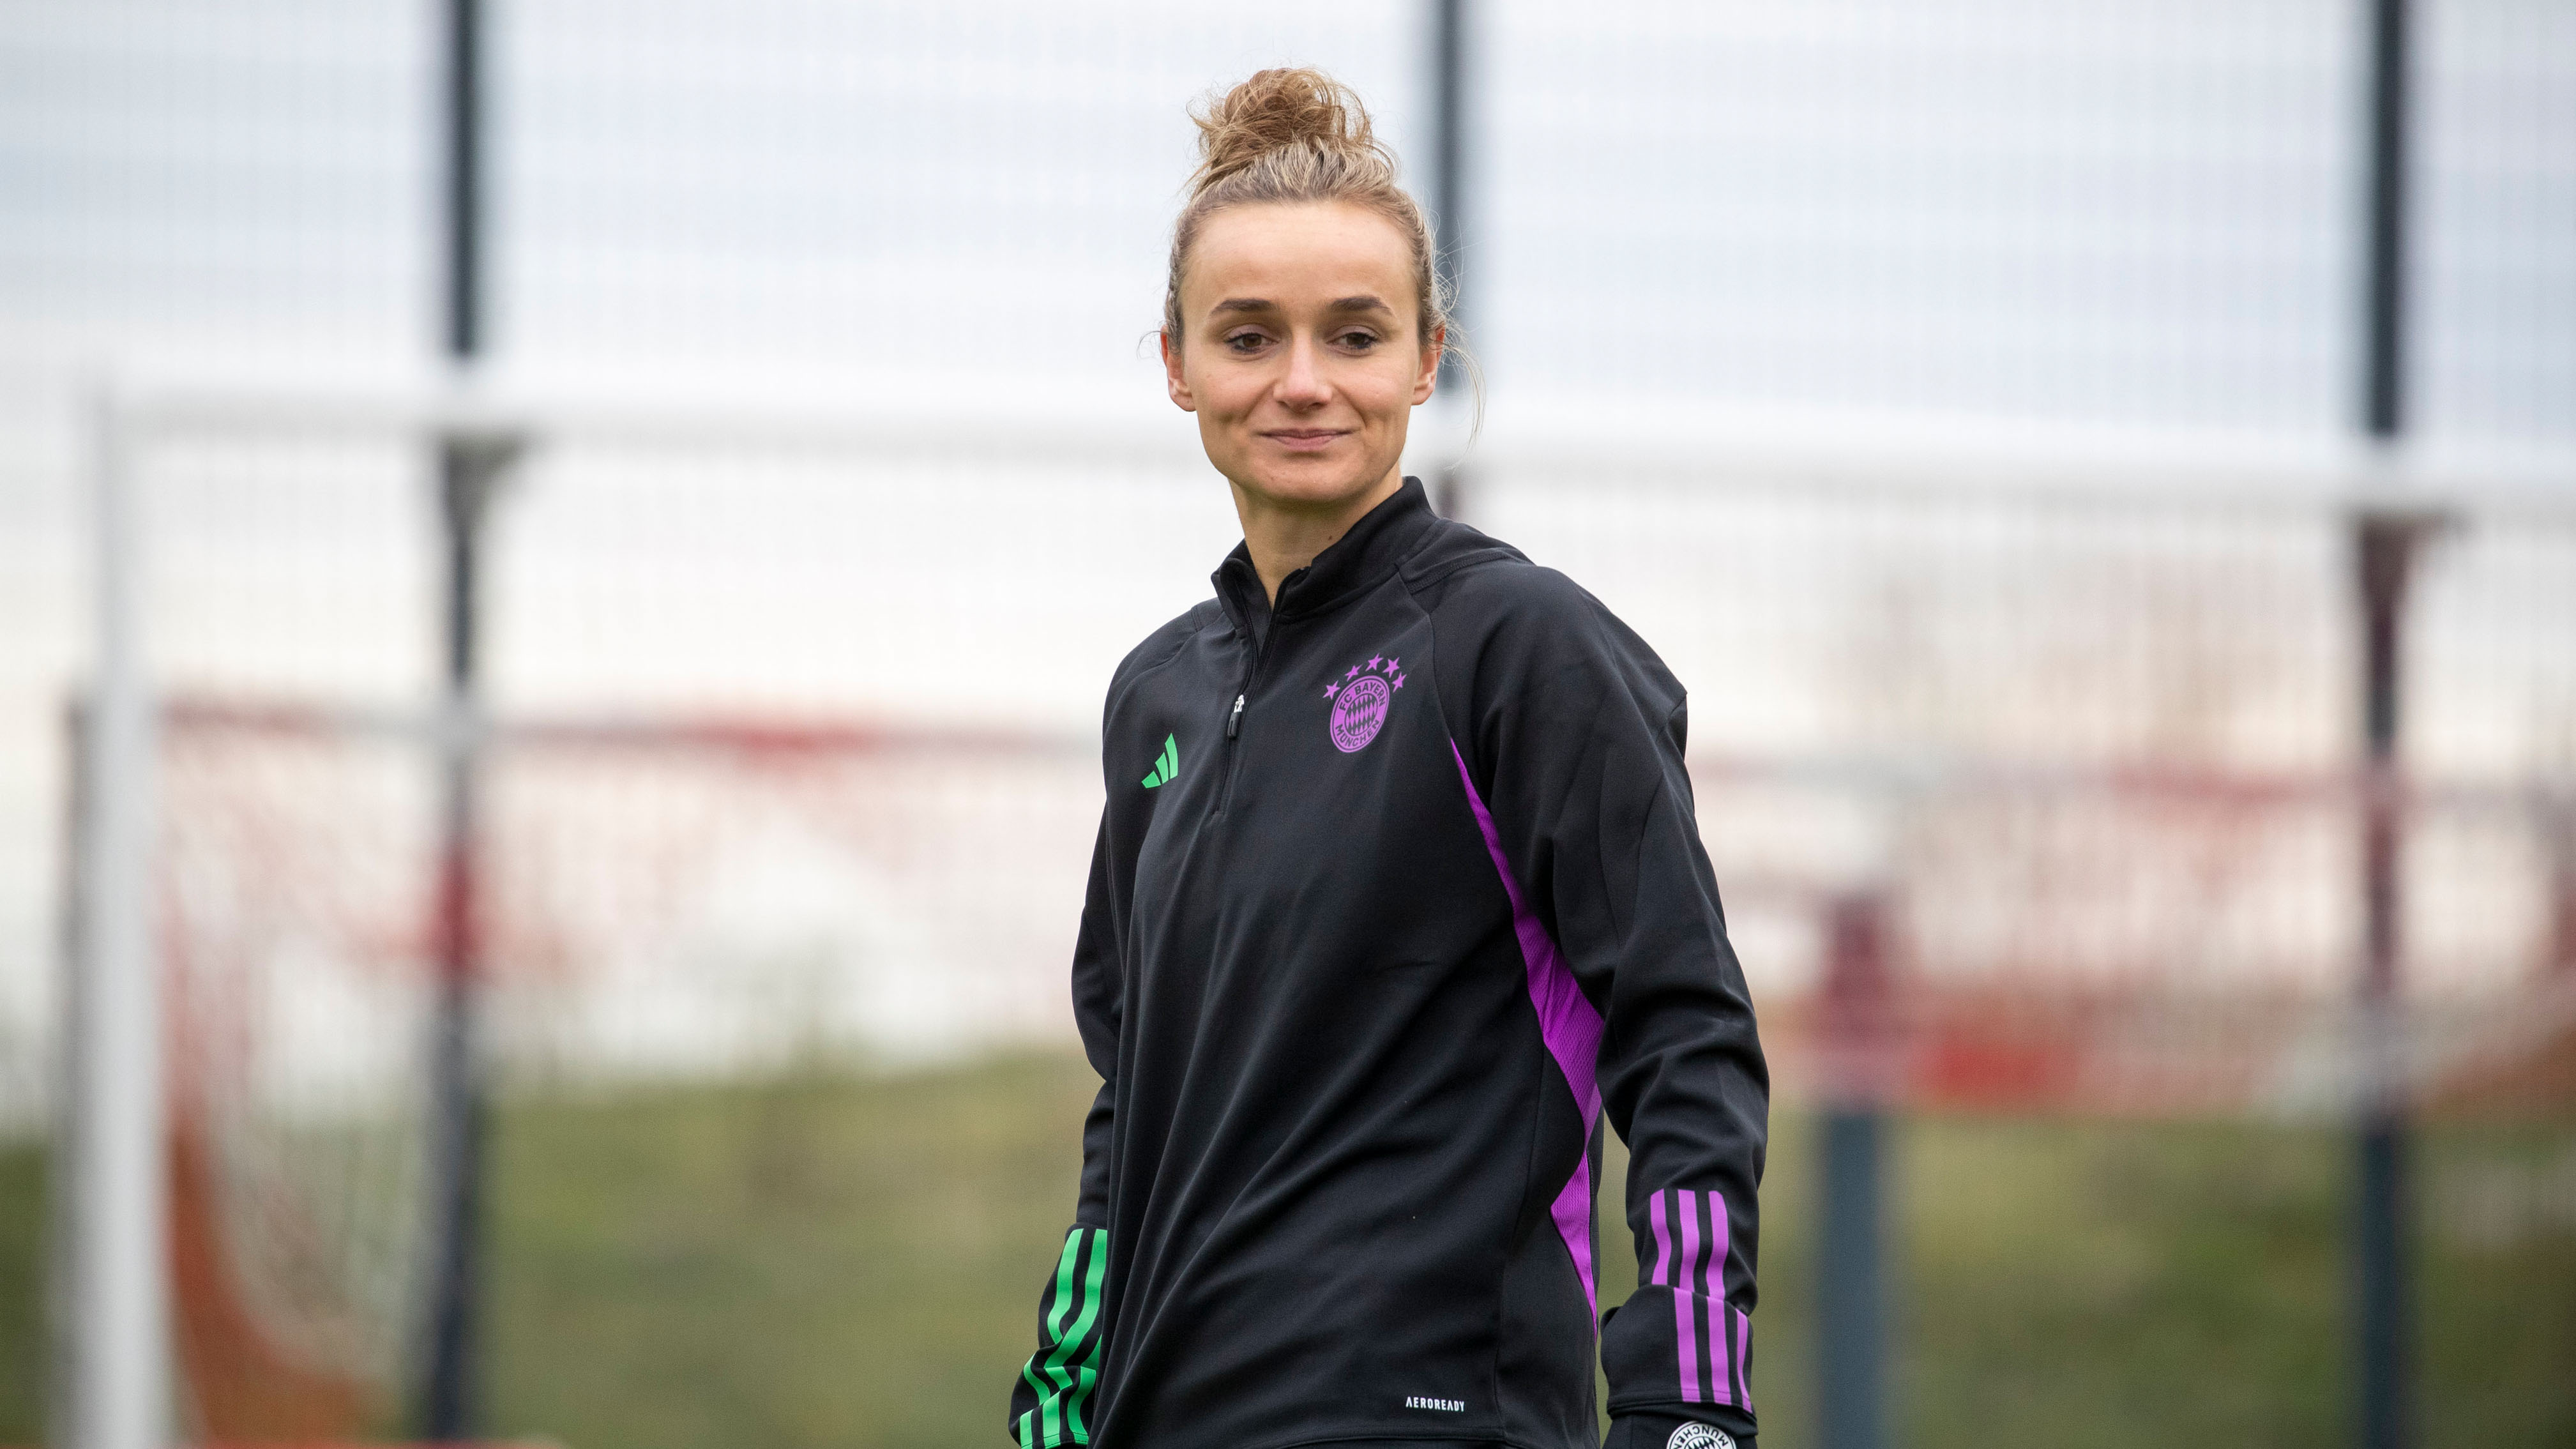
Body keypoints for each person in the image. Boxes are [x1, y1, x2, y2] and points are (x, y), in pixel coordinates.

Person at [1008, 68, 1768, 1449]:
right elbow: (1134, 1108)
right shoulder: (1159, 697)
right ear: (1176, 364)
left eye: (1353, 337)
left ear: (1424, 359)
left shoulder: (1517, 646)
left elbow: (1685, 1029)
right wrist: (1062, 1392)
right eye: (1250, 337)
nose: (1303, 382)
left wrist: (1688, 1403)